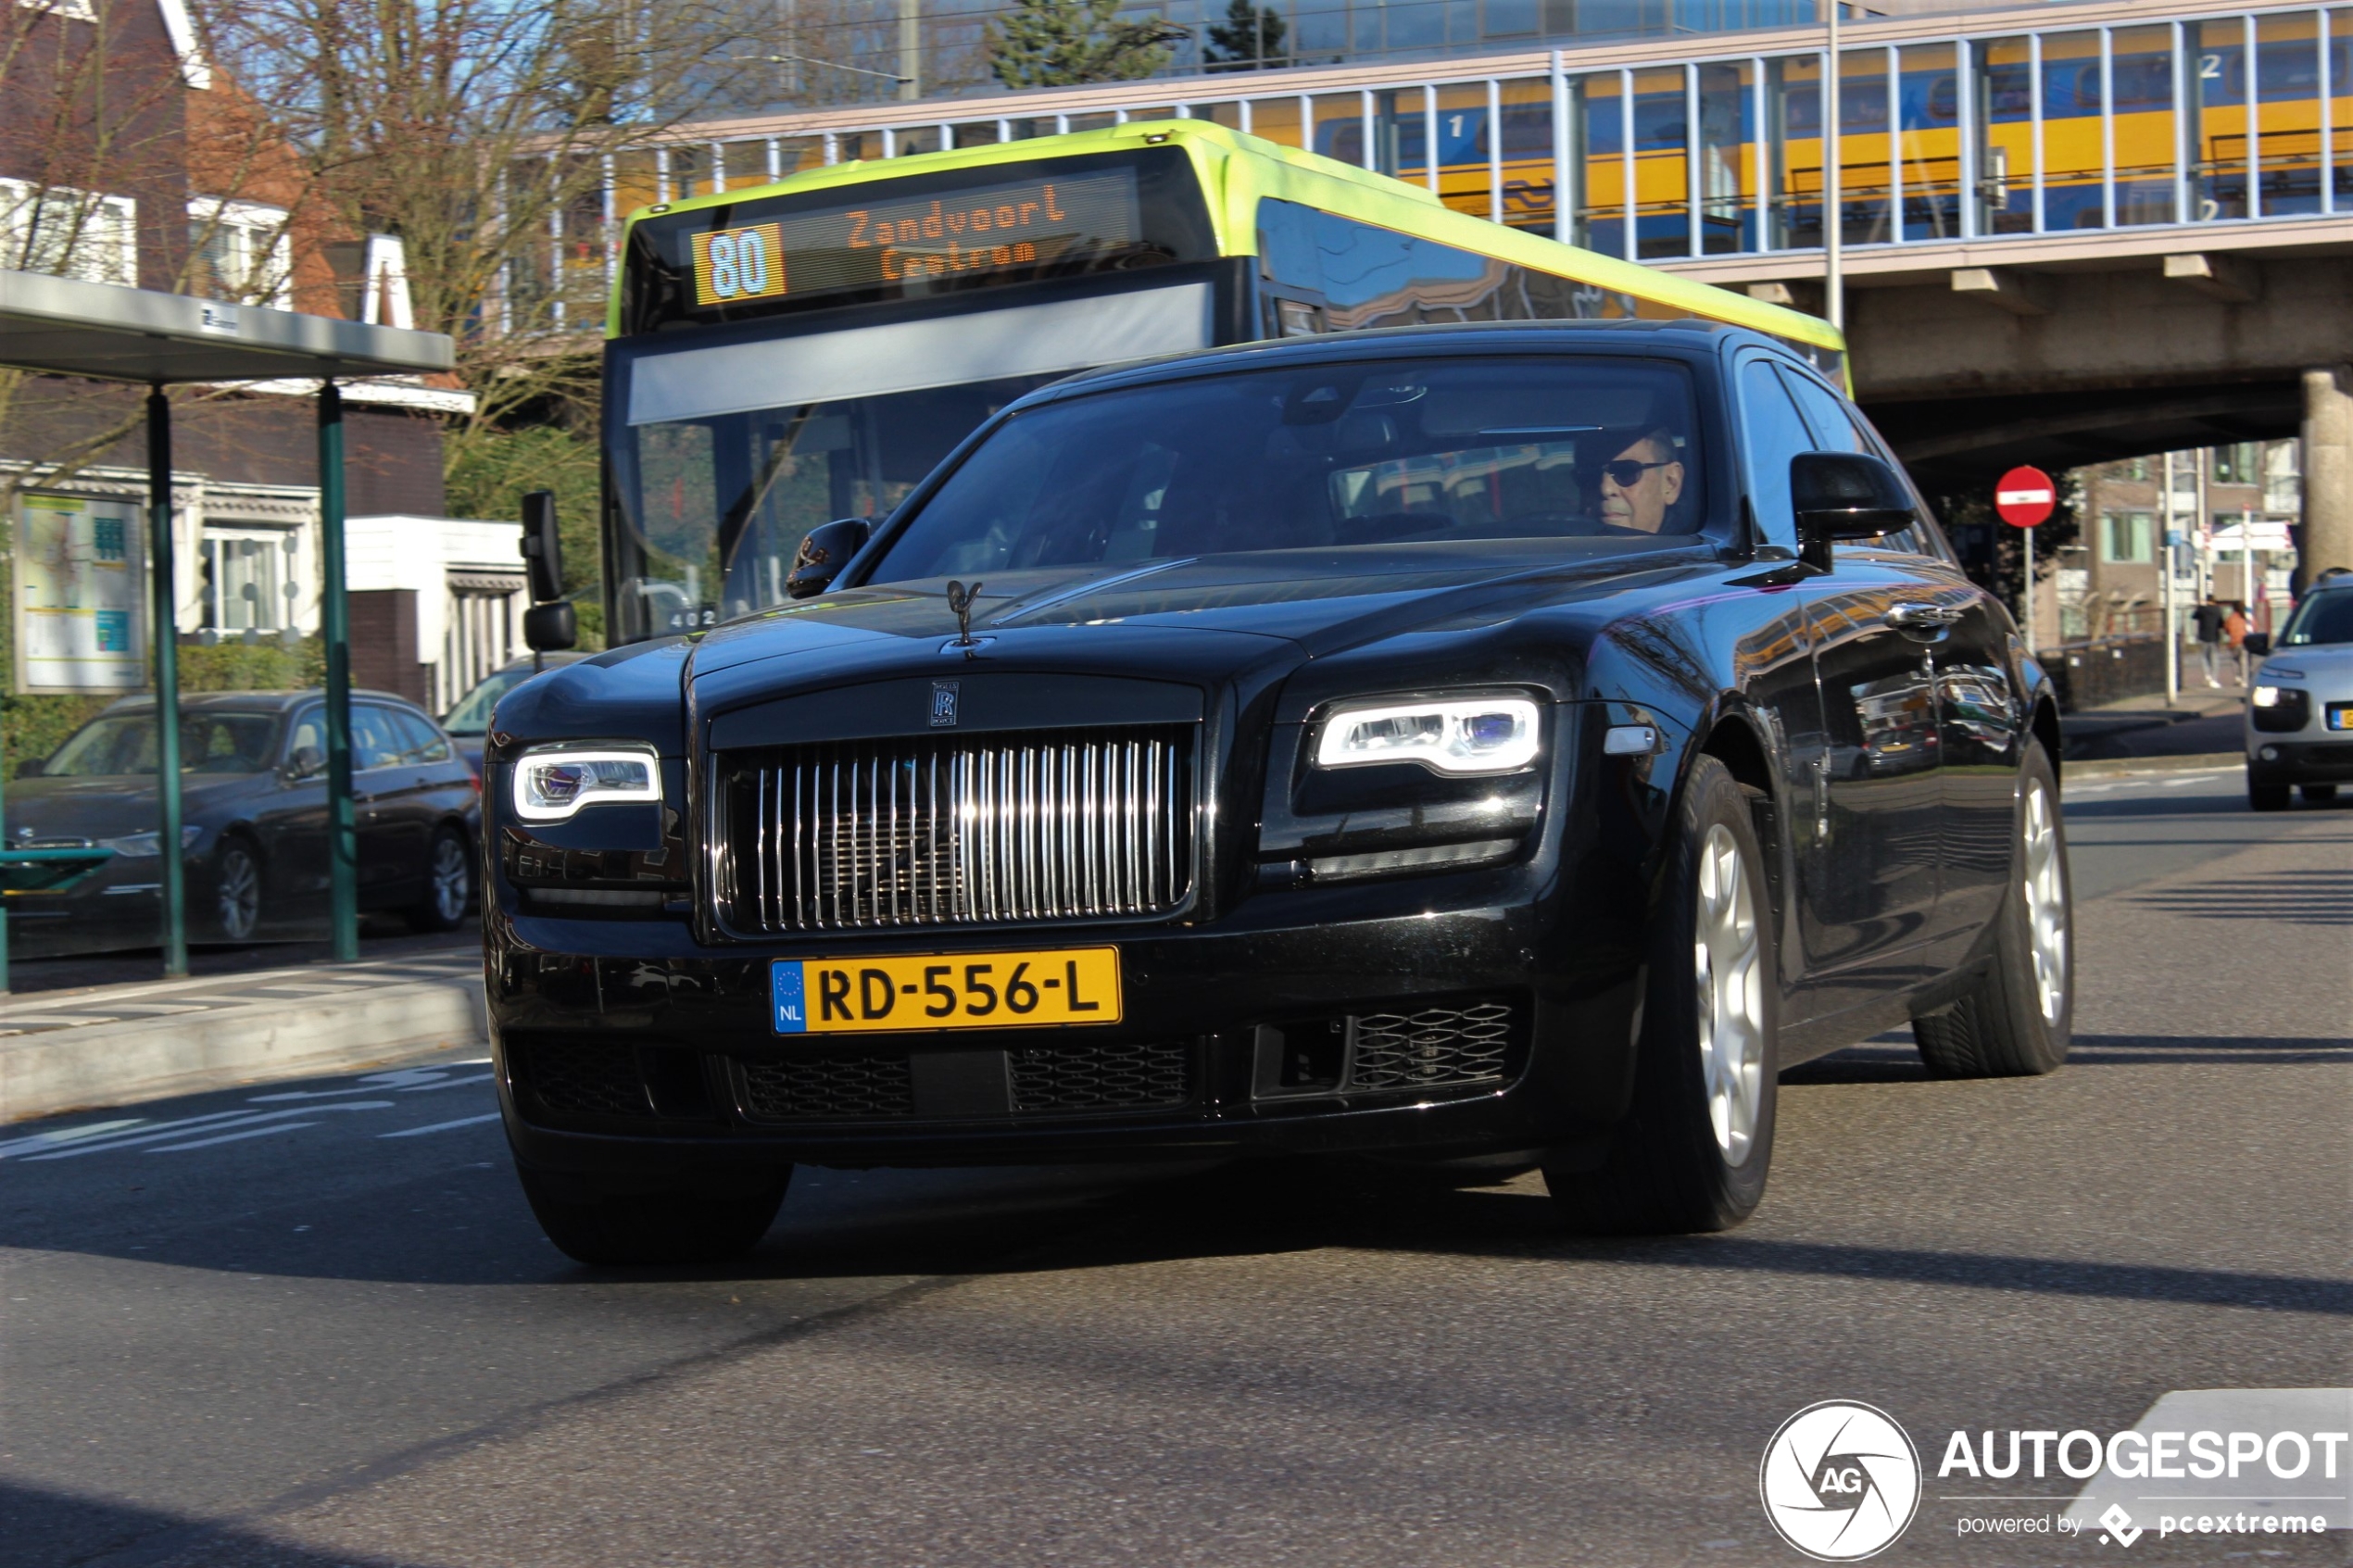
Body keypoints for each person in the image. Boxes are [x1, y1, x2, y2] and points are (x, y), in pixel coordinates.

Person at [1596, 428, 1686, 534]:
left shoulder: (1692, 546)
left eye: (1626, 472)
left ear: (1671, 483)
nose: (1606, 489)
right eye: (1588, 475)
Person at [2191, 596, 2225, 687]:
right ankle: (2214, 679)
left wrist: (2200, 606)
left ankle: (2207, 675)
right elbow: (2221, 624)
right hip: (2214, 636)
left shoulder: (2202, 610)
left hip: (2203, 636)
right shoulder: (2218, 610)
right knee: (2215, 658)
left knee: (2204, 656)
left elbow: (2193, 616)